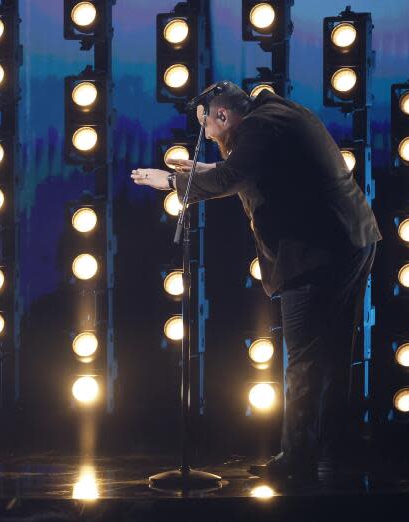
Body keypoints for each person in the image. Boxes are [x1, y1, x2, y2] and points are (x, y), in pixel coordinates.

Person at [131, 81, 381, 480]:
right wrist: (206, 171)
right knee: (333, 352)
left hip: (316, 251)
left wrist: (172, 182)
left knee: (304, 358)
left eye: (208, 130)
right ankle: (337, 446)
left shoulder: (261, 128)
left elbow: (235, 175)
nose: (208, 138)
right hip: (350, 240)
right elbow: (245, 169)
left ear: (224, 116)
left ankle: (298, 460)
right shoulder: (273, 117)